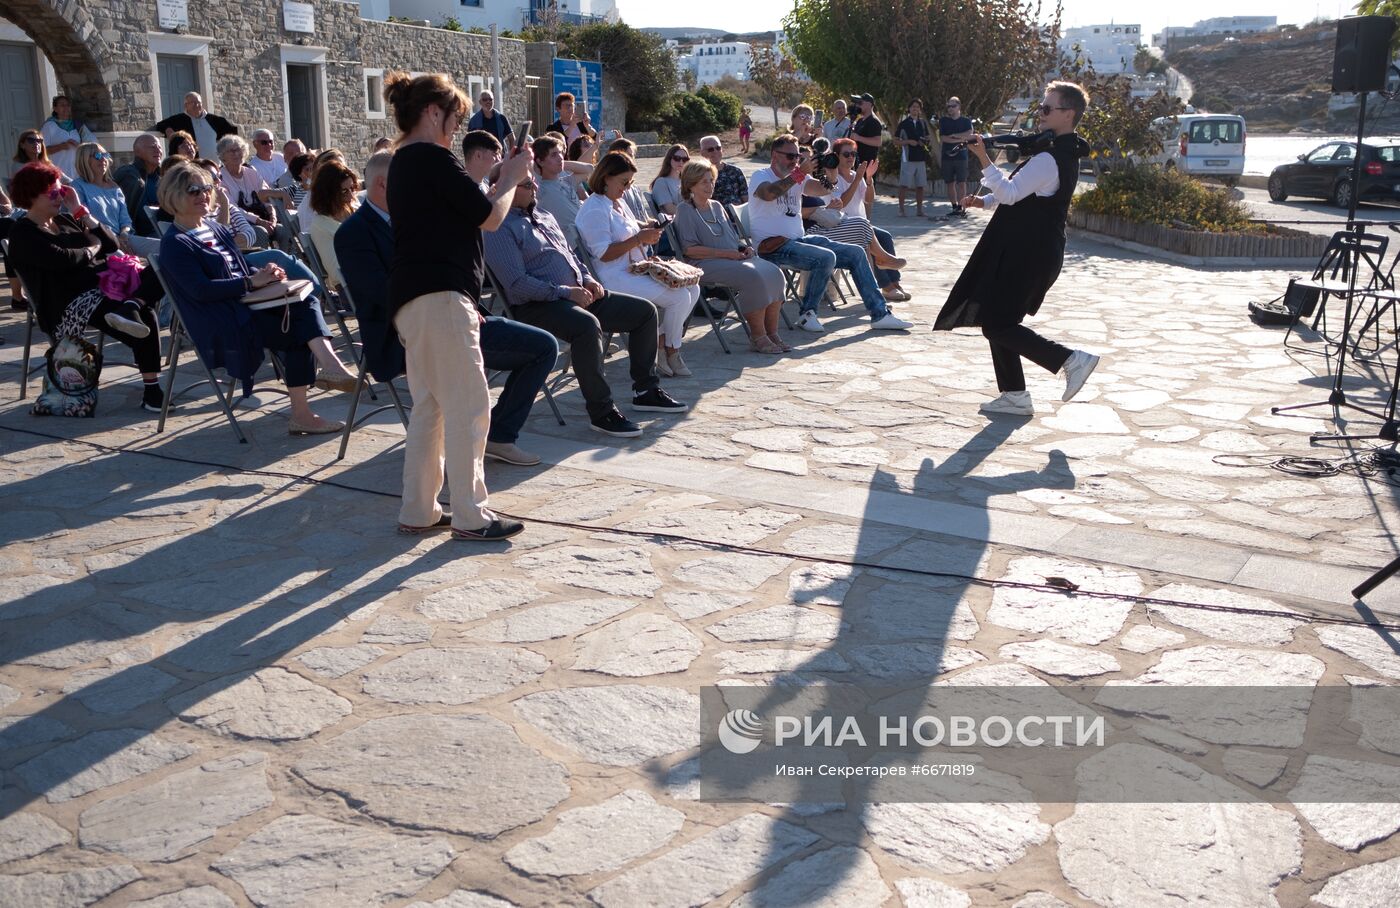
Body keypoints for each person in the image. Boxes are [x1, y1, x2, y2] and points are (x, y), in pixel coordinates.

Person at [384, 71, 535, 542]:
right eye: (456, 116)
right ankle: (471, 515)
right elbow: (491, 217)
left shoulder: (404, 161)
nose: (457, 126)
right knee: (469, 406)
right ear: (434, 112)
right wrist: (510, 178)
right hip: (443, 298)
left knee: (430, 409)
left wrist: (496, 179)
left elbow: (467, 207)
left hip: (414, 301)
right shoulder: (431, 158)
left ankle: (420, 509)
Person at [337, 150, 558, 466]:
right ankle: (459, 464)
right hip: (406, 335)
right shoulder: (354, 233)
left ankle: (499, 434)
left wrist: (462, 300)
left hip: (455, 317)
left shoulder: (414, 217)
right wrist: (450, 305)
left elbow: (451, 264)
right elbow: (382, 294)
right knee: (459, 384)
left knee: (543, 347)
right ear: (385, 185)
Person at [934, 81, 1101, 417]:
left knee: (997, 323)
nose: (1040, 113)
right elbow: (1020, 192)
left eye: (1047, 108)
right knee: (997, 318)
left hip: (1029, 253)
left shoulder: (1050, 159)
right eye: (1041, 106)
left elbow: (1012, 193)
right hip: (1031, 250)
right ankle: (1014, 395)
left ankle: (1069, 359)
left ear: (1068, 114)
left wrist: (983, 157)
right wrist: (985, 200)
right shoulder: (1060, 153)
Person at [484, 169, 687, 438]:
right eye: (525, 183)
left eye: (532, 180)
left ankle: (645, 390)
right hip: (538, 305)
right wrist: (565, 292)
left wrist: (588, 278)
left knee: (644, 312)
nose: (534, 186)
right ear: (504, 188)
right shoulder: (498, 228)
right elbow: (517, 284)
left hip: (577, 294)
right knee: (587, 326)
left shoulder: (543, 216)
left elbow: (572, 257)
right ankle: (602, 412)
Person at [157, 160, 354, 430]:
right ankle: (313, 395)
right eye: (194, 190)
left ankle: (321, 380)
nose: (203, 195)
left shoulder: (212, 228)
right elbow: (200, 290)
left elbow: (237, 265)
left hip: (247, 305)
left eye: (206, 188)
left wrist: (265, 272)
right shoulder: (175, 243)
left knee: (304, 301)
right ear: (174, 195)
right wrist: (251, 283)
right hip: (222, 318)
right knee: (300, 326)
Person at [6, 161, 166, 411]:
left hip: (104, 287)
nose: (60, 197)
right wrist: (92, 248)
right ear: (31, 195)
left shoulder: (68, 219)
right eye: (53, 192)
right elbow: (65, 260)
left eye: (61, 191)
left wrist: (81, 210)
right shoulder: (23, 234)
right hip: (68, 302)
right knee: (146, 316)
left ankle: (132, 305)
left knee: (161, 268)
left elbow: (111, 245)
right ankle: (152, 389)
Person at [748, 134, 910, 334]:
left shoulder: (799, 177)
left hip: (799, 241)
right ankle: (808, 314)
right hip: (772, 246)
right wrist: (798, 174)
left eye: (797, 157)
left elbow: (820, 190)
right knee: (826, 257)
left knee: (856, 253)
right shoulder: (761, 175)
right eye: (790, 157)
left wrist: (831, 172)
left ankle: (880, 314)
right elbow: (769, 193)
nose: (795, 161)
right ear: (774, 155)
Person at [577, 151, 701, 378]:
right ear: (606, 177)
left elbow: (631, 228)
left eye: (630, 183)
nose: (626, 188)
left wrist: (648, 229)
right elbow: (603, 253)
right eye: (624, 182)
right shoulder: (595, 208)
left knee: (693, 288)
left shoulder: (616, 203)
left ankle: (663, 343)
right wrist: (639, 239)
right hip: (613, 276)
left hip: (634, 269)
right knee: (679, 297)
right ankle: (671, 350)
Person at [675, 160, 788, 354]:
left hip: (732, 258)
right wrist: (727, 254)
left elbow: (732, 238)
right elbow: (689, 250)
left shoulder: (717, 206)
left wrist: (744, 248)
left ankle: (772, 333)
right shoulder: (685, 210)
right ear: (690, 184)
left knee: (775, 273)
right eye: (704, 182)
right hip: (703, 263)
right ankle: (757, 336)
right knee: (753, 277)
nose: (710, 186)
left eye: (711, 181)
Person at [810, 139, 907, 300]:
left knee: (885, 236)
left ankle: (894, 283)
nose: (850, 157)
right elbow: (841, 203)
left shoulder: (856, 175)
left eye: (853, 154)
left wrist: (868, 179)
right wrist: (857, 180)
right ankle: (886, 286)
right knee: (867, 241)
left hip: (861, 224)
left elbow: (869, 199)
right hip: (840, 226)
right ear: (836, 156)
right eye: (846, 154)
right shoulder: (831, 178)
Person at [72, 143, 160, 257]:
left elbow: (125, 220)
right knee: (129, 262)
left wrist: (123, 234)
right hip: (98, 239)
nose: (103, 159)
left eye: (105, 155)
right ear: (84, 160)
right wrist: (114, 238)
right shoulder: (77, 186)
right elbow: (83, 221)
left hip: (123, 237)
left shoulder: (114, 187)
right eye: (97, 156)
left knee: (165, 247)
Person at [218, 135, 290, 247]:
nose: (236, 153)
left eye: (239, 149)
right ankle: (264, 263)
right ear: (223, 156)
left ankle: (283, 260)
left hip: (263, 217)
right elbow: (233, 208)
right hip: (240, 224)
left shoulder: (252, 172)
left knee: (283, 230)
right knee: (261, 233)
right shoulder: (221, 178)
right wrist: (259, 221)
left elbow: (267, 196)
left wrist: (273, 217)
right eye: (231, 151)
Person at [308, 160, 358, 290]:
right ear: (328, 193)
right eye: (344, 191)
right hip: (353, 289)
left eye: (352, 188)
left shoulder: (355, 210)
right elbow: (337, 274)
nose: (351, 196)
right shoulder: (321, 225)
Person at [533, 135, 583, 248]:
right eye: (554, 155)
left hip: (587, 240)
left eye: (560, 153)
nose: (560, 157)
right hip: (575, 248)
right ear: (540, 161)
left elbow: (589, 169)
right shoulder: (540, 190)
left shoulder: (567, 181)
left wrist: (561, 163)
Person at [152, 92, 238, 153]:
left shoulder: (214, 120)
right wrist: (168, 129)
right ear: (186, 105)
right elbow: (160, 125)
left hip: (214, 165)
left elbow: (232, 132)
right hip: (193, 166)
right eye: (193, 103)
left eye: (198, 102)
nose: (196, 105)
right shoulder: (179, 119)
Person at [113, 134, 163, 237]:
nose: (158, 150)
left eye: (159, 147)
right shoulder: (128, 175)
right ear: (137, 152)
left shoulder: (162, 177)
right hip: (135, 235)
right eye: (152, 147)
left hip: (161, 231)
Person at [40, 95, 96, 179]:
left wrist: (79, 146)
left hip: (77, 174)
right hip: (58, 174)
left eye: (68, 105)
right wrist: (61, 146)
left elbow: (94, 145)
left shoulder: (77, 126)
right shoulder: (49, 126)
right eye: (62, 105)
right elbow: (41, 151)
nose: (66, 108)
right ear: (55, 109)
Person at [938, 96, 975, 217]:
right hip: (947, 156)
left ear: (959, 107)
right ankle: (954, 207)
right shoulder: (943, 121)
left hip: (961, 157)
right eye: (949, 106)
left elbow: (969, 135)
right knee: (950, 182)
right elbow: (943, 138)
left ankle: (961, 207)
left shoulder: (966, 121)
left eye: (953, 106)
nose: (950, 108)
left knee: (962, 182)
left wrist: (955, 136)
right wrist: (960, 139)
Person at [894, 99, 932, 218]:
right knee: (904, 185)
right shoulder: (904, 124)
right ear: (909, 109)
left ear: (920, 110)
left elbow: (928, 137)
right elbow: (895, 141)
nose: (915, 109)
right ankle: (901, 210)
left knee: (920, 185)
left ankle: (919, 210)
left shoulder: (922, 123)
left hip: (920, 158)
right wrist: (908, 141)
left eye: (917, 107)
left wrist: (924, 142)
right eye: (913, 107)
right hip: (908, 158)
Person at [848, 93, 883, 219]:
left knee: (866, 193)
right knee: (857, 193)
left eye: (861, 103)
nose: (858, 105)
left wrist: (858, 138)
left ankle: (867, 221)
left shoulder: (874, 121)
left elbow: (878, 142)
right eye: (857, 103)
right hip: (857, 162)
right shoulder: (860, 121)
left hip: (867, 163)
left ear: (870, 104)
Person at [697, 136, 746, 207]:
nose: (715, 151)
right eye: (710, 149)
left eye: (718, 148)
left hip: (737, 216)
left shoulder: (735, 171)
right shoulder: (698, 175)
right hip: (713, 216)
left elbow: (746, 198)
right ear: (702, 153)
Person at [649, 144, 689, 216]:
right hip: (676, 223)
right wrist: (694, 213)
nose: (681, 162)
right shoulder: (661, 182)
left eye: (685, 159)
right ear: (669, 159)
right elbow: (670, 209)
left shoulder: (686, 181)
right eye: (677, 158)